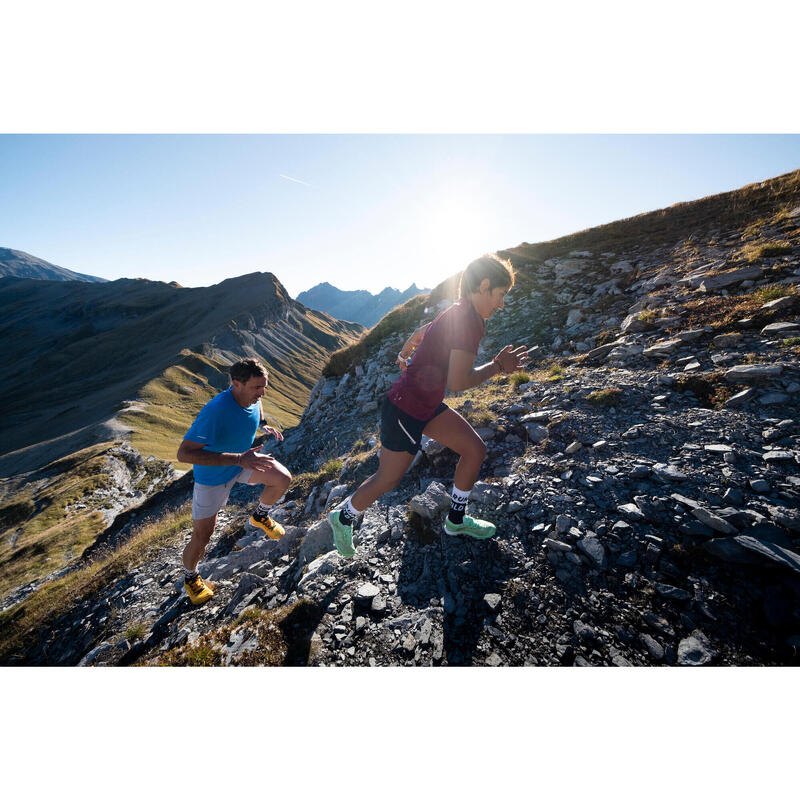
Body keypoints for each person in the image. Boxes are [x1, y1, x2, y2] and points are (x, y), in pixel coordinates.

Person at [328, 254, 529, 558]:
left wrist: (413, 339)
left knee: (475, 450)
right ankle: (342, 518)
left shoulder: (460, 311)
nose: (501, 305)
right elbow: (459, 381)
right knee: (389, 478)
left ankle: (457, 521)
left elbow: (427, 331)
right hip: (404, 410)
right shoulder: (469, 320)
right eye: (501, 295)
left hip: (425, 404)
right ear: (485, 285)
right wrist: (499, 366)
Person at [176, 357, 291, 604]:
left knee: (282, 479)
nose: (261, 393)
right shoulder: (216, 411)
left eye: (264, 387)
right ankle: (191, 577)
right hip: (214, 477)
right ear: (236, 384)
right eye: (256, 388)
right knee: (203, 536)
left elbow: (255, 411)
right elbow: (184, 453)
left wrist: (264, 425)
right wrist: (239, 458)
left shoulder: (252, 398)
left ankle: (260, 516)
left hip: (242, 462)